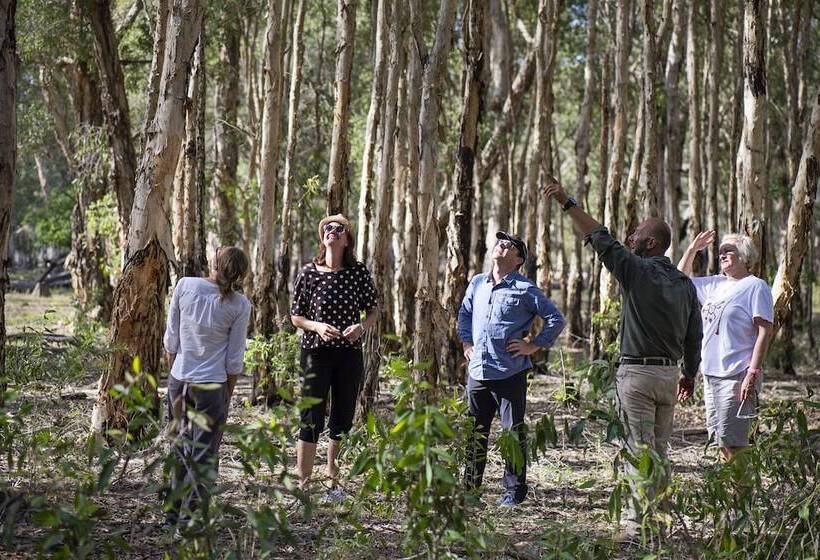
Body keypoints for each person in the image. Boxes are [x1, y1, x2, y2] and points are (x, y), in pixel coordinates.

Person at [542, 179, 702, 533]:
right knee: (659, 451)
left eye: (638, 234)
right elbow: (695, 338)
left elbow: (600, 237)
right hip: (668, 377)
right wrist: (689, 375)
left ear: (654, 243)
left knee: (637, 448)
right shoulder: (684, 285)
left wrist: (567, 203)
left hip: (638, 377)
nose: (631, 237)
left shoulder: (636, 270)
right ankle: (658, 520)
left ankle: (635, 525)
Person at [458, 231, 565, 506]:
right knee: (475, 433)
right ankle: (470, 490)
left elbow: (555, 318)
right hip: (478, 371)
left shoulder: (525, 289)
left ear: (519, 260)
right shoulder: (477, 283)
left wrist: (533, 344)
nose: (501, 246)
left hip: (509, 371)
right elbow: (465, 313)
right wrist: (466, 343)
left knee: (512, 433)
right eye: (500, 242)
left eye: (510, 245)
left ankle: (514, 492)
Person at [290, 214, 379, 502]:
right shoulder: (308, 272)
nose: (333, 231)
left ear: (347, 239)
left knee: (342, 415)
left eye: (339, 229)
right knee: (310, 415)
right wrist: (317, 326)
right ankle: (303, 484)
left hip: (348, 355)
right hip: (315, 353)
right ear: (322, 236)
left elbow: (373, 311)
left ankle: (333, 480)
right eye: (327, 227)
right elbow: (296, 316)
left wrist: (360, 327)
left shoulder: (358, 272)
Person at [162, 246, 252, 529]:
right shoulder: (240, 305)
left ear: (214, 262)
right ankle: (190, 522)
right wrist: (227, 395)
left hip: (180, 381)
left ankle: (172, 516)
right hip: (213, 387)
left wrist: (174, 376)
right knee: (203, 455)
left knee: (179, 449)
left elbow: (171, 341)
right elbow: (233, 360)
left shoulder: (185, 285)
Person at [678, 231, 773, 461]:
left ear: (745, 255)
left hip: (737, 375)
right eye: (720, 251)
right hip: (710, 375)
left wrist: (752, 373)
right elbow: (678, 279)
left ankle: (741, 495)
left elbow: (765, 331)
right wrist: (692, 249)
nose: (722, 254)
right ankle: (729, 495)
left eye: (728, 250)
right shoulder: (714, 285)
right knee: (720, 441)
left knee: (735, 445)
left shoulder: (755, 286)